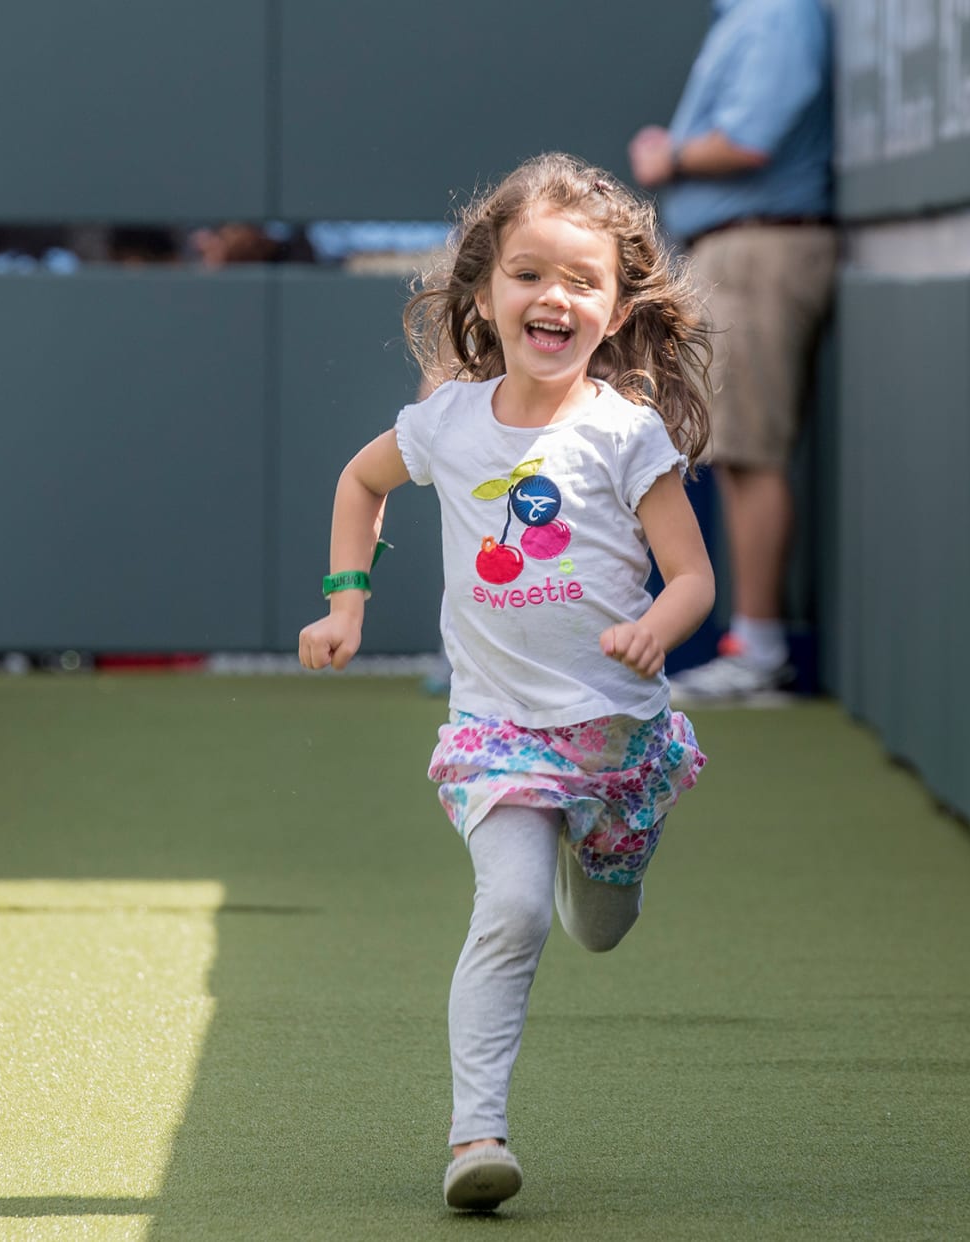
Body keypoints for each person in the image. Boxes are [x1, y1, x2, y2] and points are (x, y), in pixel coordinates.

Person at [298, 153, 716, 1213]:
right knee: (515, 906)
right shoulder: (448, 422)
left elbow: (694, 576)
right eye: (530, 274)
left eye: (583, 281)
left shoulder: (628, 436)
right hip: (501, 737)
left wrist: (654, 628)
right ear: (484, 292)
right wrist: (347, 603)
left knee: (600, 923)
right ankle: (474, 1134)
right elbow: (360, 481)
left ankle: (605, 866)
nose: (555, 298)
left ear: (619, 310)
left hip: (615, 742)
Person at [630, 0, 837, 704]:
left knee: (749, 450)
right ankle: (751, 643)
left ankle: (758, 648)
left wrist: (671, 155)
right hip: (735, 246)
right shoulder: (746, 16)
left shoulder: (778, 13)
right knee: (731, 450)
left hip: (760, 246)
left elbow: (750, 139)